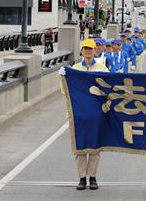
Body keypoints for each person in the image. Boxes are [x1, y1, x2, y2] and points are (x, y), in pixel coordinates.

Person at [58, 39, 108, 190]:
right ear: (81, 51)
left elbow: (108, 90)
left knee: (95, 146)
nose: (88, 51)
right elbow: (65, 91)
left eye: (90, 49)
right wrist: (63, 78)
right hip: (78, 114)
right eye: (85, 49)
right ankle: (81, 178)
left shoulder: (102, 69)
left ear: (95, 51)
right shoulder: (75, 69)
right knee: (80, 146)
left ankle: (92, 177)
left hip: (96, 113)